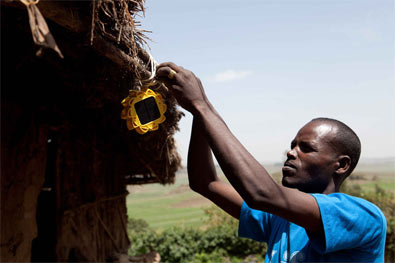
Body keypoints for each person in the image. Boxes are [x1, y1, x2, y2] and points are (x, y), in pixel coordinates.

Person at [156, 62, 387, 262]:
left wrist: (202, 105)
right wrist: (198, 111)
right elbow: (204, 182)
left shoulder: (363, 217)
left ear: (342, 165)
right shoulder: (280, 217)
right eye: (293, 144)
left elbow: (262, 193)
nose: (291, 152)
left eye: (306, 148)